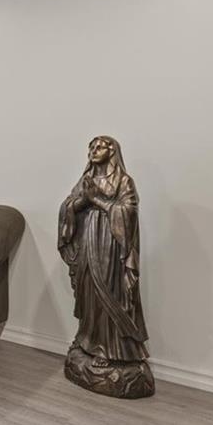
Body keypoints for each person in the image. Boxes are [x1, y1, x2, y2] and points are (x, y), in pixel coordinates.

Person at [58, 136, 151, 391]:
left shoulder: (123, 181)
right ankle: (88, 341)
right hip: (88, 240)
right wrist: (82, 202)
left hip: (111, 246)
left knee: (110, 293)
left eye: (100, 147)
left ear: (112, 152)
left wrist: (97, 201)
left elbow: (128, 212)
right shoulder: (85, 181)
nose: (93, 151)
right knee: (89, 292)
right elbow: (69, 207)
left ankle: (111, 350)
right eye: (91, 147)